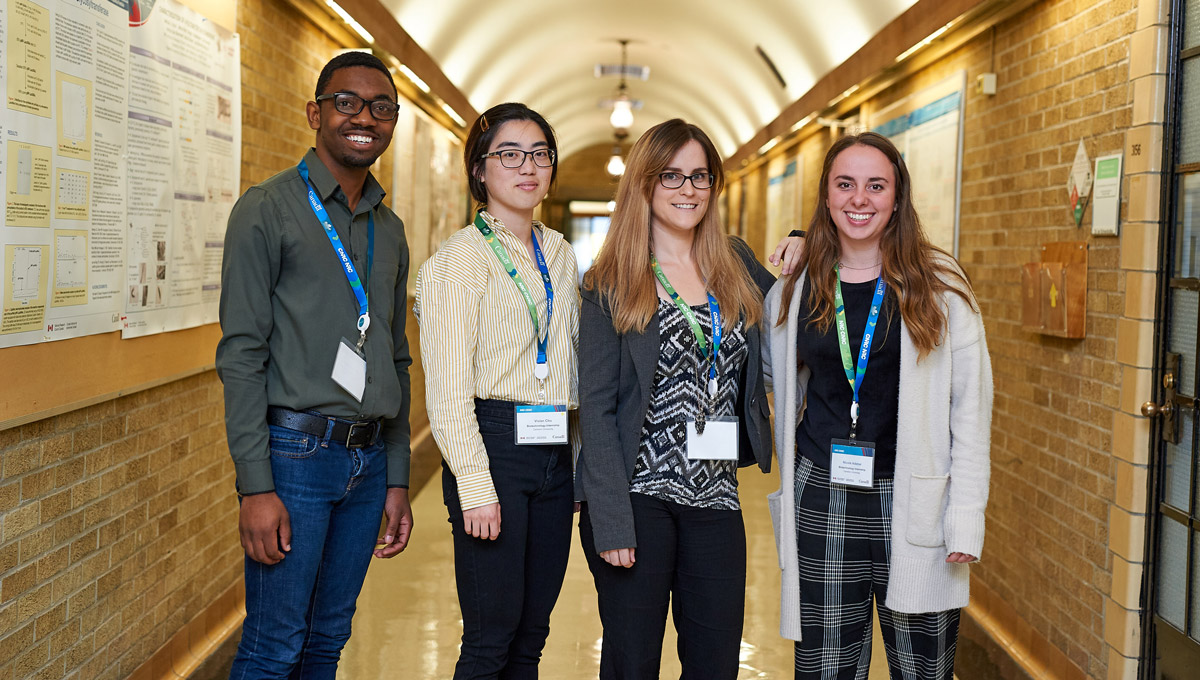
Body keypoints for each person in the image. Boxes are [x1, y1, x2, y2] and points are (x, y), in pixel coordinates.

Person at [762, 131, 992, 679]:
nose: (859, 199)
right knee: (827, 669)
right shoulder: (799, 285)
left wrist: (965, 518)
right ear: (825, 195)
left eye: (875, 185)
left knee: (924, 668)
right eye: (845, 184)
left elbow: (972, 410)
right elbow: (769, 371)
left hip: (916, 502)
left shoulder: (940, 284)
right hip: (822, 496)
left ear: (897, 197)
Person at [215, 51, 414, 678]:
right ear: (315, 112)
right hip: (294, 459)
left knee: (328, 639)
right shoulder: (267, 210)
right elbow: (241, 354)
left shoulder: (391, 228)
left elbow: (396, 356)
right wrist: (256, 485)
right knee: (275, 645)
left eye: (382, 108)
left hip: (368, 463)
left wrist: (398, 476)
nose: (365, 118)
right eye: (347, 102)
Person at [575, 119, 776, 679]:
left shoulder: (734, 265)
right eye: (671, 176)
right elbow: (596, 407)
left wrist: (807, 244)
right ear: (643, 183)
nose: (688, 190)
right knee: (632, 662)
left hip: (716, 499)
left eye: (700, 177)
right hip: (639, 499)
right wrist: (611, 523)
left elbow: (796, 296)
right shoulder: (609, 281)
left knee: (715, 665)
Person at [414, 102, 578, 679]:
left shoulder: (559, 252)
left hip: (555, 452)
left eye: (539, 154)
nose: (526, 167)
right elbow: (448, 395)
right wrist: (476, 488)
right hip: (494, 449)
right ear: (480, 170)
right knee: (491, 638)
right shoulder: (456, 263)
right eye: (509, 155)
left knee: (532, 636)